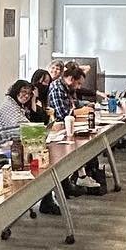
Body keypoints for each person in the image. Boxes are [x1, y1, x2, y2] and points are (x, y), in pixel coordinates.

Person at [47, 62, 106, 195]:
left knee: (90, 139)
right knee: (81, 144)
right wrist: (81, 111)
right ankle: (80, 176)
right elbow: (62, 113)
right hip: (59, 129)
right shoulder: (57, 88)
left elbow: (74, 104)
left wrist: (87, 105)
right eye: (78, 83)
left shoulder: (68, 87)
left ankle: (88, 172)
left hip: (70, 125)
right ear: (71, 79)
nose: (79, 87)